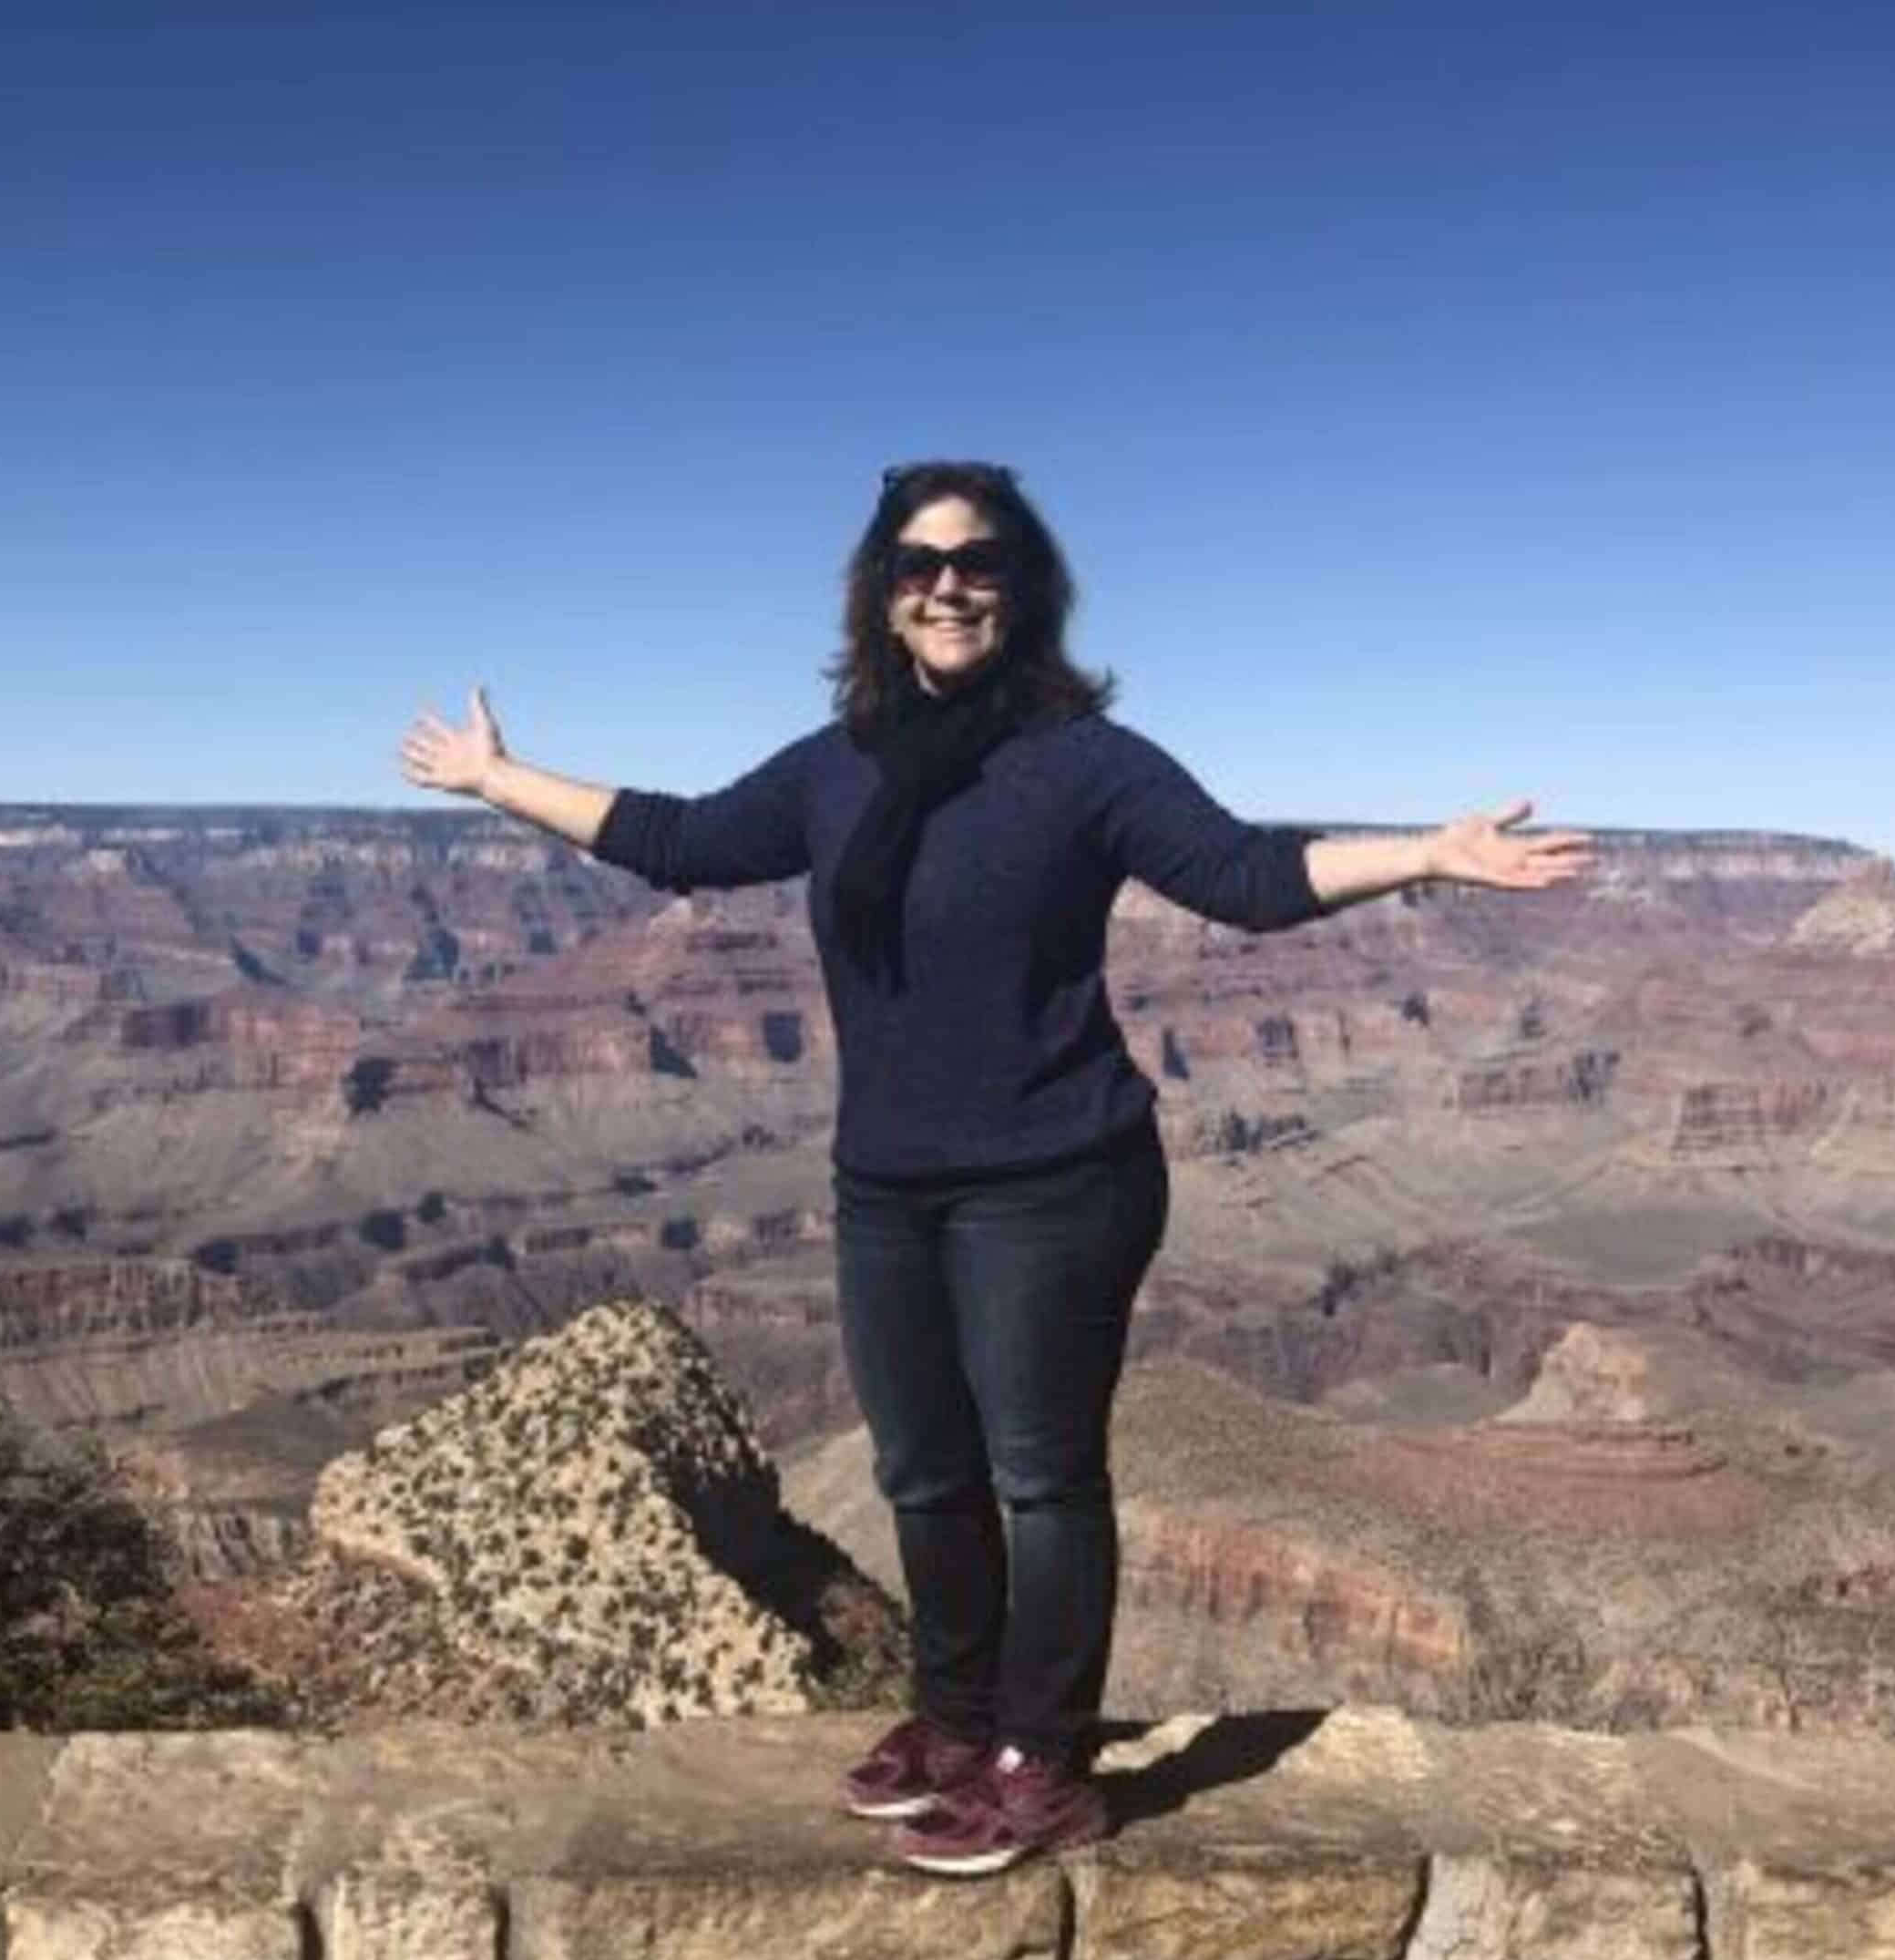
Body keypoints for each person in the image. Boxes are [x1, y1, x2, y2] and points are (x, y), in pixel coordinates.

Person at [399, 459, 1592, 1876]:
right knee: (921, 1474)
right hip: (889, 1186)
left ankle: (1049, 1758)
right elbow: (682, 841)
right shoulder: (841, 762)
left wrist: (1430, 855)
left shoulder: (1087, 763)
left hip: (1057, 1178)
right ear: (882, 592)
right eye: (919, 564)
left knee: (1040, 1476)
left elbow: (1246, 877)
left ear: (1022, 590)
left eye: (977, 564)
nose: (948, 587)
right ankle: (956, 1724)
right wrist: (494, 780)